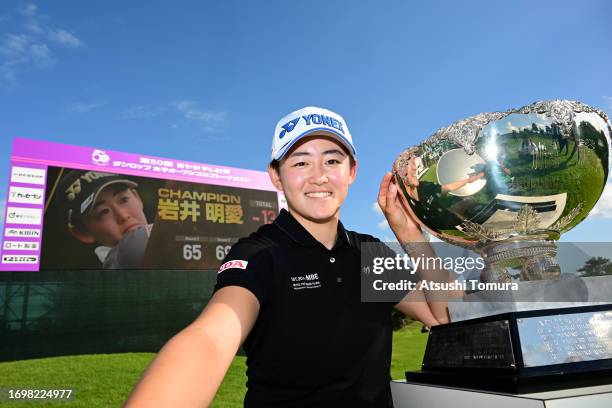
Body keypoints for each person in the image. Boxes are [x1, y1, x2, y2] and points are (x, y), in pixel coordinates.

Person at [125, 106, 451, 407]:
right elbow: (210, 340)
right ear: (276, 176)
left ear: (352, 171)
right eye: (300, 162)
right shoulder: (260, 253)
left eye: (333, 160)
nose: (318, 175)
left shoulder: (369, 254)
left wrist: (408, 232)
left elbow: (444, 315)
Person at [59, 170, 152, 268]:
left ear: (137, 198)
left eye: (124, 200)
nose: (123, 216)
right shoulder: (120, 262)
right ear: (82, 232)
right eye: (103, 212)